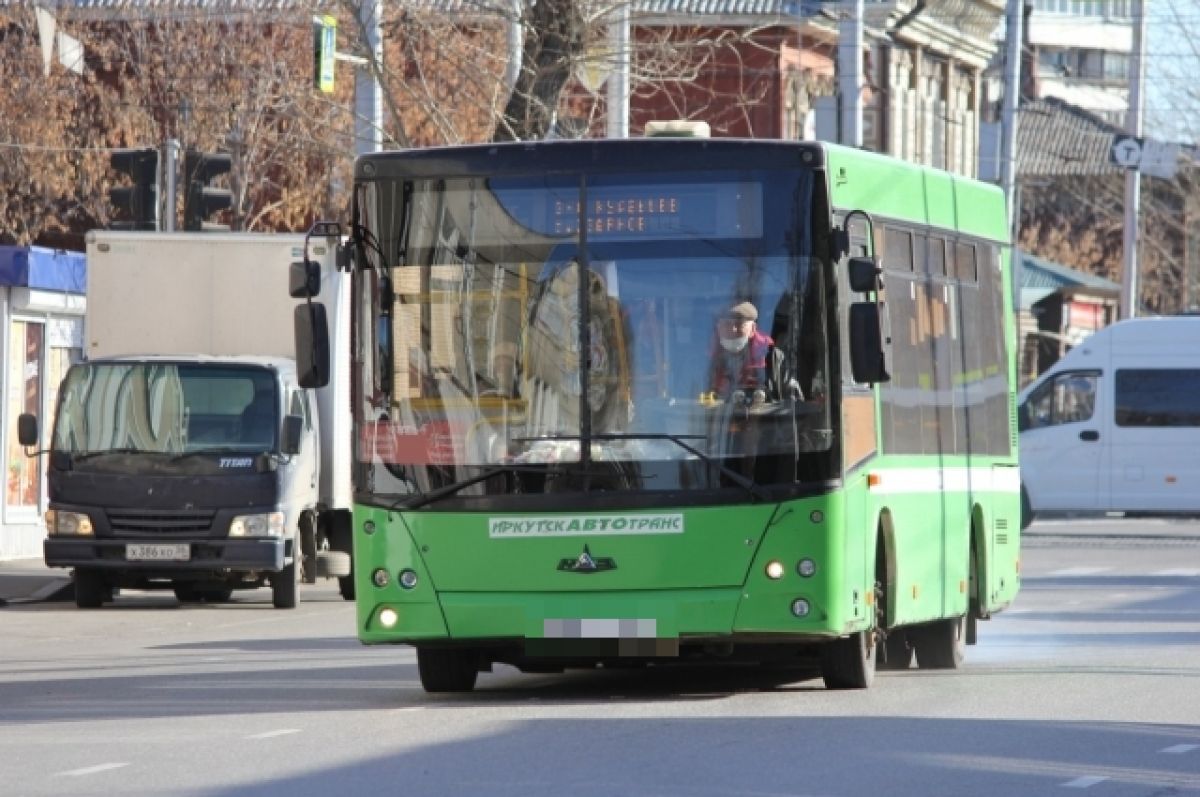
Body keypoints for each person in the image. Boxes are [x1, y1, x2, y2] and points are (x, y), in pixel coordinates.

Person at [708, 301, 792, 402]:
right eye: (727, 324)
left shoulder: (772, 357)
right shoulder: (703, 360)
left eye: (740, 324)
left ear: (753, 329)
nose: (733, 330)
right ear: (719, 328)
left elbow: (791, 402)